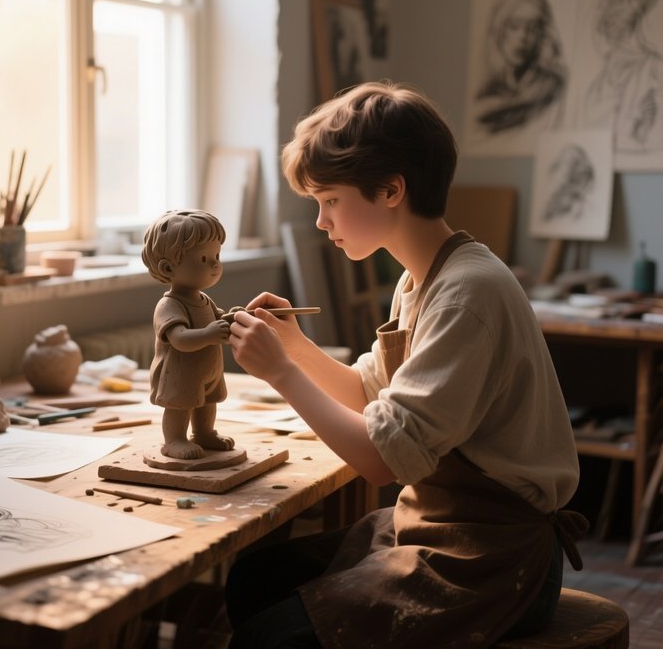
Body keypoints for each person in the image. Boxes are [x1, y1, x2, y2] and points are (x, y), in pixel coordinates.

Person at [227, 81, 586, 648]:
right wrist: (293, 345)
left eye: (330, 201)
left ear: (391, 189)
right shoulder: (422, 279)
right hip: (441, 523)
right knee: (255, 576)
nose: (322, 222)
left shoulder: (468, 293)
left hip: (494, 554)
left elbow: (379, 459)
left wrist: (281, 373)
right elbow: (369, 396)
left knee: (269, 637)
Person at [141, 209, 236, 460]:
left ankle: (204, 433)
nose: (215, 264)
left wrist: (229, 320)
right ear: (168, 267)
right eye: (204, 259)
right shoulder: (169, 305)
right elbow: (180, 338)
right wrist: (210, 333)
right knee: (180, 405)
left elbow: (214, 324)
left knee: (208, 402)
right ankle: (174, 440)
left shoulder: (204, 299)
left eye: (216, 255)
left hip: (208, 369)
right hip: (180, 370)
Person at [583, 0, 663, 153]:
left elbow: (652, 142)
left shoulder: (654, 68)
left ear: (639, 6)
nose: (617, 8)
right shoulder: (604, 67)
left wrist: (642, 127)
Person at [472, 0, 567, 135]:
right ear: (500, 30)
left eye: (532, 28)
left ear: (542, 34)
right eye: (514, 26)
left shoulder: (552, 86)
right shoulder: (488, 90)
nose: (523, 38)